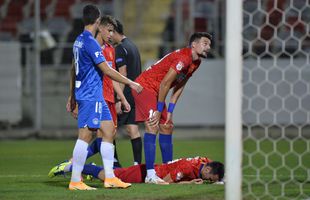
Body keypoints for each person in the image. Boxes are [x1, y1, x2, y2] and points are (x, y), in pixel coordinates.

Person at [67, 4, 142, 190]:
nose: (110, 34)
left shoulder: (78, 40)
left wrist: (72, 95)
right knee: (86, 135)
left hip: (93, 95)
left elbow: (73, 69)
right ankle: (75, 180)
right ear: (98, 22)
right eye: (108, 29)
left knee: (109, 131)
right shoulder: (90, 42)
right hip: (90, 95)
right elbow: (107, 70)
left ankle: (110, 178)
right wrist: (131, 83)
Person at [132, 32, 212, 184]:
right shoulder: (184, 58)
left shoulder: (196, 63)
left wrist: (170, 111)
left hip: (156, 91)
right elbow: (165, 84)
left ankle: (168, 168)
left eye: (209, 44)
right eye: (205, 43)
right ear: (193, 45)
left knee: (167, 126)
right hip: (145, 87)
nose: (208, 47)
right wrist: (158, 108)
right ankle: (150, 174)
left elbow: (179, 86)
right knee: (152, 125)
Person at [48, 156, 224, 184]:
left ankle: (90, 168)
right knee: (109, 177)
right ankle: (70, 166)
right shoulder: (186, 169)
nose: (207, 180)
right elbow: (164, 184)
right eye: (209, 178)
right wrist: (190, 183)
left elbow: (216, 169)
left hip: (150, 169)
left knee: (116, 173)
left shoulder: (204, 162)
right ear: (207, 168)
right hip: (147, 174)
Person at [111, 20, 143, 166]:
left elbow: (122, 72)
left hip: (125, 95)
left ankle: (115, 163)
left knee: (109, 129)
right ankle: (137, 164)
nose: (109, 36)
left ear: (115, 31)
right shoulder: (132, 46)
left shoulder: (120, 48)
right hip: (135, 94)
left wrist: (119, 99)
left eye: (111, 32)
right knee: (133, 129)